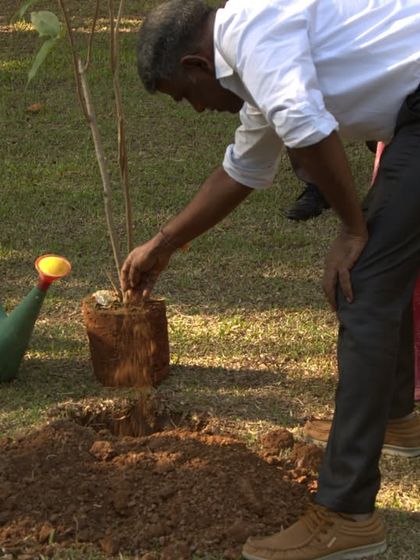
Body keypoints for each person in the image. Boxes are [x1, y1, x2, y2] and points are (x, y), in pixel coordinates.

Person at [121, 1, 420, 558]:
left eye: (184, 96)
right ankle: (396, 420)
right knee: (380, 274)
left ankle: (347, 514)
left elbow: (306, 127)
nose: (196, 111)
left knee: (366, 285)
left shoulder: (253, 33)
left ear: (196, 65)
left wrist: (352, 230)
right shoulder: (254, 58)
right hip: (411, 112)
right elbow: (244, 168)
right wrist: (164, 244)